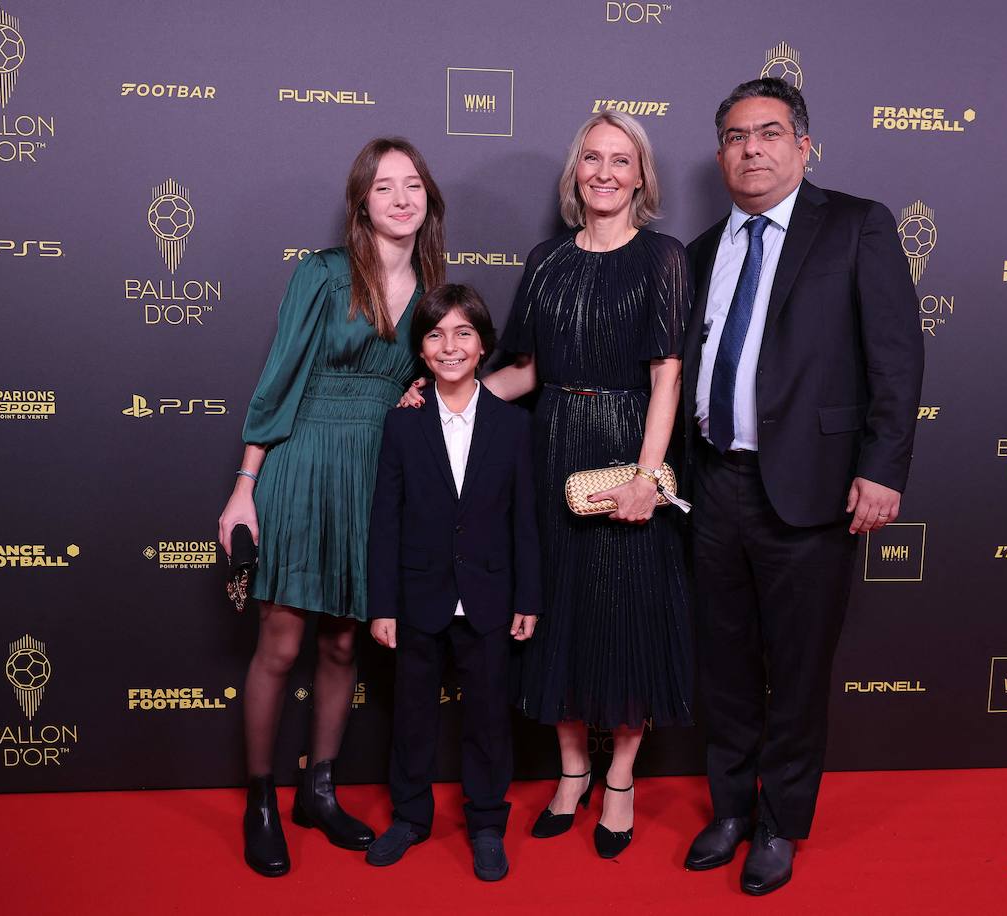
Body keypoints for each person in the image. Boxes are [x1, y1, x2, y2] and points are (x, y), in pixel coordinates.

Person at [679, 78, 923, 895]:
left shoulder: (856, 225)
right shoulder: (702, 250)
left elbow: (895, 356)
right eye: (737, 137)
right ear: (720, 155)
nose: (752, 148)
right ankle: (730, 810)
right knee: (725, 663)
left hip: (811, 490)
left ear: (803, 145)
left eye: (770, 132)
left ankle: (781, 822)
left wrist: (882, 468)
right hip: (711, 485)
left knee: (799, 666)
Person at [217, 137, 446, 877]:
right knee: (281, 646)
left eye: (413, 185)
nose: (401, 199)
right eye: (385, 188)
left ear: (428, 200)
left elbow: (443, 373)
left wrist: (418, 391)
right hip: (303, 463)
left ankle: (318, 789)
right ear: (361, 203)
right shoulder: (321, 273)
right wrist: (245, 487)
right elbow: (279, 376)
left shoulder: (435, 283)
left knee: (345, 643)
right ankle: (260, 800)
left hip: (376, 475)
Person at [492, 111, 693, 859]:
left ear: (641, 175)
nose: (604, 172)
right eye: (591, 159)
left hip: (628, 449)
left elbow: (666, 376)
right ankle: (571, 771)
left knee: (626, 615)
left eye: (621, 159)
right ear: (575, 171)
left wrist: (646, 476)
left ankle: (620, 780)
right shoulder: (547, 259)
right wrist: (446, 391)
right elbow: (526, 371)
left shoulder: (663, 257)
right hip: (554, 450)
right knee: (561, 613)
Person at [364, 284, 541, 882]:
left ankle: (487, 823)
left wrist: (528, 597)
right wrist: (382, 603)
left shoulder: (514, 427)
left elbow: (526, 519)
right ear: (420, 350)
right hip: (418, 596)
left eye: (463, 333)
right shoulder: (402, 425)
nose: (450, 345)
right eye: (436, 334)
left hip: (490, 596)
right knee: (412, 714)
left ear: (485, 344)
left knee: (489, 718)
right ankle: (411, 817)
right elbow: (384, 520)